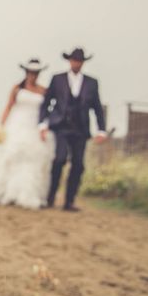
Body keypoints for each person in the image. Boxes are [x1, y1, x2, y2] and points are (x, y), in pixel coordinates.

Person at [0, 58, 55, 209]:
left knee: (31, 161)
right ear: (26, 73)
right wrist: (0, 126)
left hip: (34, 128)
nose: (33, 75)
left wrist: (44, 126)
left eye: (36, 73)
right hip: (16, 125)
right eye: (30, 72)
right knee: (7, 157)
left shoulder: (44, 91)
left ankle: (25, 194)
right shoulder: (16, 89)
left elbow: (46, 112)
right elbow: (8, 107)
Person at [39, 48, 107, 212]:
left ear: (83, 63)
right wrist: (43, 124)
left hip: (80, 129)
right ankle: (50, 198)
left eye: (79, 61)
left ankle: (69, 202)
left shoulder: (92, 82)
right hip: (61, 127)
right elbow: (47, 102)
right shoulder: (57, 79)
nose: (76, 63)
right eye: (74, 60)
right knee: (59, 160)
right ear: (69, 61)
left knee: (78, 164)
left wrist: (101, 130)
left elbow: (97, 107)